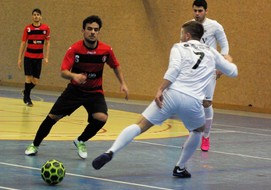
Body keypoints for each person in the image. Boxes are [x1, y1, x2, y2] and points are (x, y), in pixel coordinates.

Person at [92, 21, 238, 178]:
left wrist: (161, 89)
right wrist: (228, 61)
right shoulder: (211, 52)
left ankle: (111, 151)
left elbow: (174, 69)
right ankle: (180, 167)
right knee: (197, 131)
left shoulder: (179, 47)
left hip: (172, 94)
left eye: (182, 34)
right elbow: (233, 72)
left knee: (140, 124)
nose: (180, 37)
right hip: (193, 100)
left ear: (187, 35)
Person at [24, 15, 129, 159]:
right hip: (74, 91)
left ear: (99, 32)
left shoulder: (106, 50)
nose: (92, 32)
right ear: (83, 30)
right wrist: (74, 76)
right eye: (89, 29)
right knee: (52, 117)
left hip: (94, 92)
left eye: (96, 30)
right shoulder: (74, 49)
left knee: (101, 117)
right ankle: (34, 145)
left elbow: (115, 65)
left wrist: (122, 83)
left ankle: (80, 140)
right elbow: (63, 72)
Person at [191, 0, 231, 151]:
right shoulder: (188, 26)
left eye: (200, 11)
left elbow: (225, 45)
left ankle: (206, 136)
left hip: (209, 70)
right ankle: (193, 136)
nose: (197, 14)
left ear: (206, 11)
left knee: (206, 103)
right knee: (192, 103)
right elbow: (183, 45)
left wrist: (221, 64)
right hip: (193, 71)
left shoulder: (215, 26)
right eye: (195, 10)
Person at [18, 8, 51, 107]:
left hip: (38, 58)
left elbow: (47, 43)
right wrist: (19, 58)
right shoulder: (28, 29)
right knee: (28, 77)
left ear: (41, 16)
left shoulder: (46, 28)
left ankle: (26, 91)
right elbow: (23, 43)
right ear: (32, 16)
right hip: (28, 57)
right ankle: (27, 98)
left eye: (38, 14)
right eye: (34, 14)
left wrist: (46, 57)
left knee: (35, 80)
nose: (36, 16)